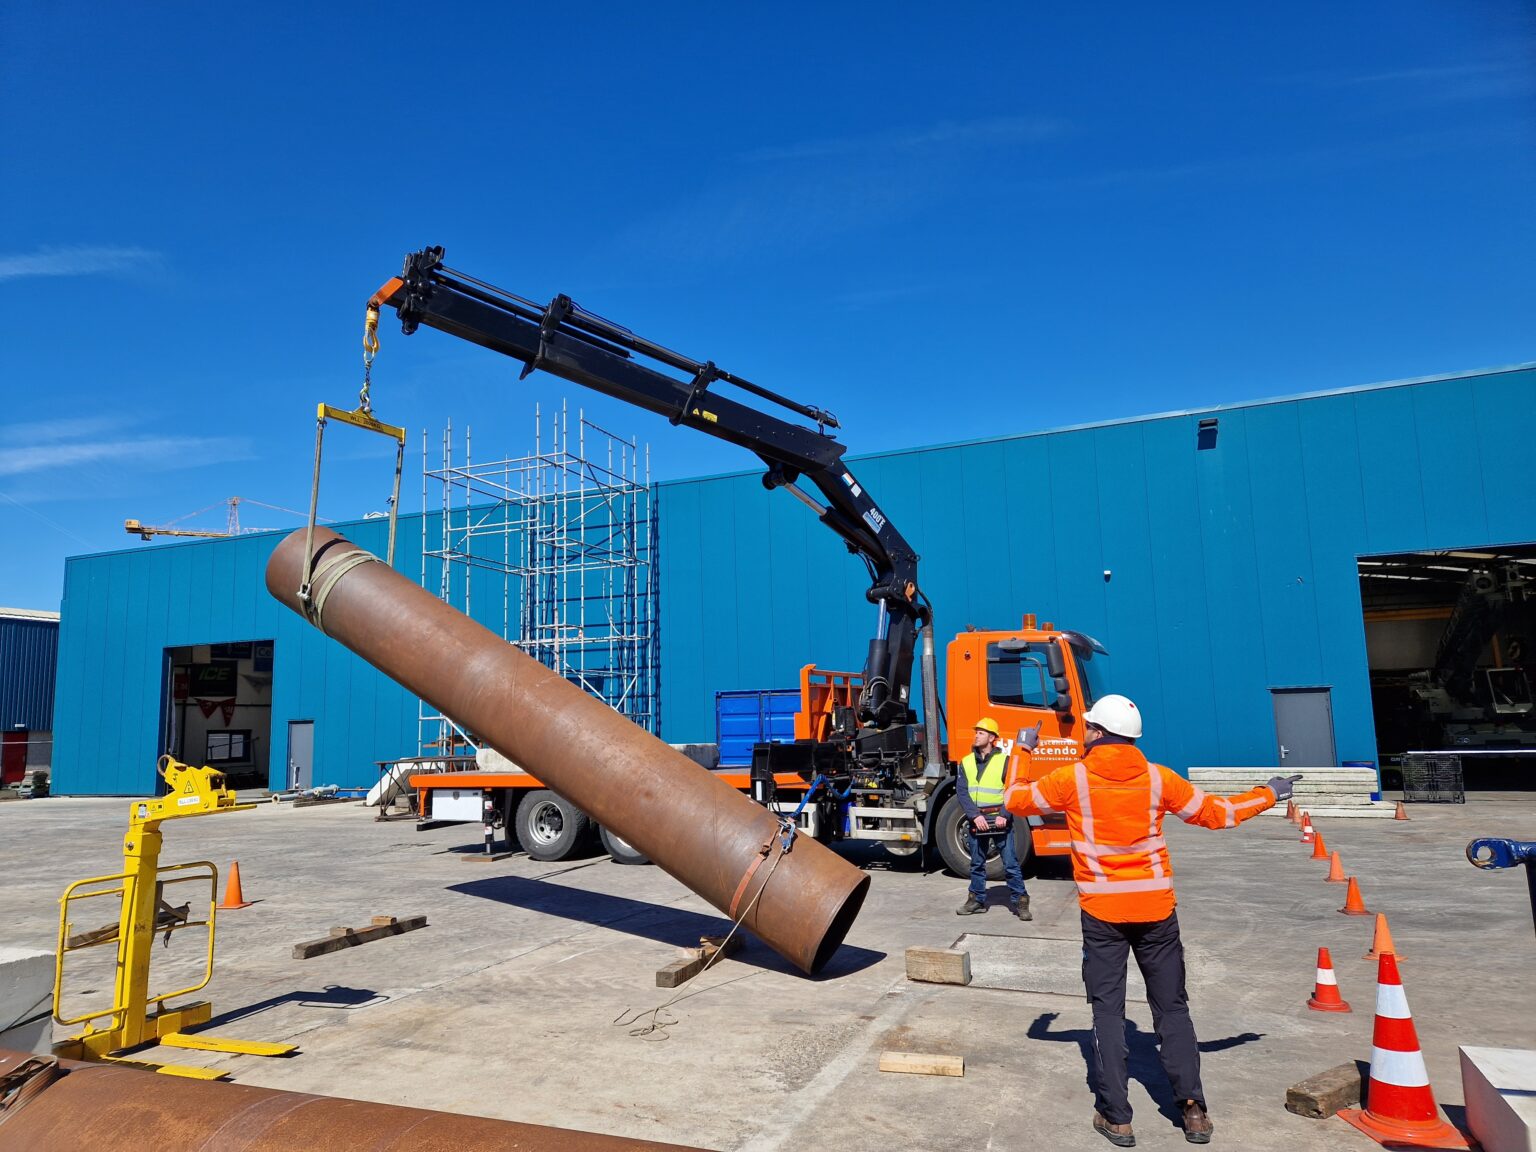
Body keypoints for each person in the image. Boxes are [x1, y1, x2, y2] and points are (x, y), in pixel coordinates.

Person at [1003, 693, 1297, 1147]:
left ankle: (1117, 1117)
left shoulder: (1072, 779)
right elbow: (1218, 815)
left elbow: (1014, 799)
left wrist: (1022, 751)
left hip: (1102, 914)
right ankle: (1193, 1111)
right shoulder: (1158, 779)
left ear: (1097, 732)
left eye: (1088, 727)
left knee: (1107, 1012)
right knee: (1173, 1008)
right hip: (1156, 911)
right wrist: (1270, 793)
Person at [956, 717, 1030, 919]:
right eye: (976, 732)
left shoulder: (1004, 761)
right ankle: (976, 900)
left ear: (991, 738)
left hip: (999, 819)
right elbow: (962, 792)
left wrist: (1005, 815)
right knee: (976, 863)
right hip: (977, 820)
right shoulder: (966, 762)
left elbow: (1013, 790)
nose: (976, 735)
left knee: (1010, 863)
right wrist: (974, 815)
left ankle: (1020, 901)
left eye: (980, 732)